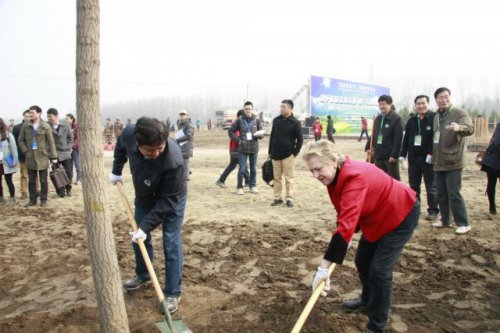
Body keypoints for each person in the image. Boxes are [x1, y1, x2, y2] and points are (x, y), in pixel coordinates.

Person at [303, 139, 419, 333]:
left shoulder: (354, 177)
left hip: (400, 214)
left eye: (318, 169)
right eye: (311, 171)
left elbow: (346, 223)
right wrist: (345, 237)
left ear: (333, 160)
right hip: (375, 217)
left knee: (380, 270)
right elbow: (345, 214)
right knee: (363, 261)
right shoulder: (334, 177)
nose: (316, 175)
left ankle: (377, 326)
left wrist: (323, 268)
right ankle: (368, 299)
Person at [110, 117, 187, 314]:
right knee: (138, 239)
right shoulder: (129, 133)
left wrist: (146, 227)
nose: (156, 153)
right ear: (138, 143)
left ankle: (172, 292)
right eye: (150, 150)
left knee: (170, 240)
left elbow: (168, 201)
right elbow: (120, 147)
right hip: (144, 195)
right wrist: (116, 170)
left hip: (170, 198)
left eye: (159, 148)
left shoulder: (174, 161)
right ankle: (143, 274)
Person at [430, 87, 474, 234]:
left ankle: (463, 223)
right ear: (436, 100)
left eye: (446, 96)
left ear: (450, 97)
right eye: (440, 98)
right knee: (441, 193)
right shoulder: (437, 117)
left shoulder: (459, 113)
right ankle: (445, 220)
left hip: (454, 160)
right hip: (439, 160)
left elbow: (470, 128)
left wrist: (459, 127)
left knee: (454, 193)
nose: (443, 100)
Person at [400, 95, 439, 221]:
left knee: (431, 186)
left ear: (428, 104)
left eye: (423, 103)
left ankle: (433, 211)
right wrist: (402, 154)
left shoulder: (434, 118)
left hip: (428, 159)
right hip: (414, 159)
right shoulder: (411, 121)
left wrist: (431, 153)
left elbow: (436, 138)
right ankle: (415, 210)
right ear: (415, 105)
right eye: (418, 104)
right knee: (414, 186)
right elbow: (406, 139)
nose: (421, 106)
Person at [18, 105, 58, 207]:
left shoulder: (45, 126)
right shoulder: (26, 126)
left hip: (42, 157)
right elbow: (20, 140)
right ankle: (32, 200)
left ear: (39, 114)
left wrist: (53, 157)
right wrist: (25, 150)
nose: (31, 115)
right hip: (30, 157)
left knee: (43, 181)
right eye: (30, 113)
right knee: (31, 181)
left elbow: (51, 142)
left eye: (33, 113)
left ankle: (43, 200)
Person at [268, 99, 303, 207]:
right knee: (276, 178)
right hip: (275, 154)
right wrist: (270, 151)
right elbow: (272, 136)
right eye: (281, 106)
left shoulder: (295, 122)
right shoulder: (276, 120)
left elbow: (300, 140)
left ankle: (289, 198)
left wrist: (294, 153)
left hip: (288, 155)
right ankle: (277, 198)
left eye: (284, 107)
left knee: (289, 178)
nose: (281, 108)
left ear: (290, 108)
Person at [228, 101, 263, 195]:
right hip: (242, 148)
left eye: (249, 109)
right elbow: (230, 131)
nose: (248, 110)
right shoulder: (239, 120)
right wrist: (238, 140)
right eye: (246, 109)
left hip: (254, 148)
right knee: (242, 169)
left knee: (253, 169)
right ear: (244, 109)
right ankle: (239, 187)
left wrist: (260, 135)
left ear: (252, 109)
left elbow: (261, 132)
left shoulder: (257, 120)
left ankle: (253, 186)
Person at [365, 95, 403, 180]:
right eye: (380, 104)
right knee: (380, 178)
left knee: (393, 179)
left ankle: (395, 193)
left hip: (389, 156)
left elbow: (398, 139)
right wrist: (368, 146)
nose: (381, 106)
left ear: (390, 104)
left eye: (384, 104)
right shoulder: (378, 118)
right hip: (378, 155)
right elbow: (373, 134)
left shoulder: (396, 119)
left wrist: (394, 155)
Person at [216, 110, 249, 188]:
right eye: (243, 116)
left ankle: (221, 180)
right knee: (243, 166)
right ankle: (248, 181)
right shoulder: (237, 125)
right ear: (240, 116)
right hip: (236, 150)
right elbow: (237, 138)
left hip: (234, 150)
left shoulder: (238, 124)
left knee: (233, 166)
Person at [47, 108, 74, 197]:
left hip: (65, 152)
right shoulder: (47, 126)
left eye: (50, 116)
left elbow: (70, 136)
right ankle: (60, 191)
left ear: (56, 116)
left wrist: (68, 147)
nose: (49, 118)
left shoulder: (65, 124)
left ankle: (68, 188)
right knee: (56, 173)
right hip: (54, 153)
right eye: (48, 116)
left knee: (68, 172)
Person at [479, 122, 500, 214]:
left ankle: (492, 207)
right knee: (491, 183)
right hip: (494, 161)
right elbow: (498, 142)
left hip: (493, 160)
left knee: (491, 183)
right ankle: (492, 207)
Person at [12, 110, 32, 199]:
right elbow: (15, 142)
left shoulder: (34, 126)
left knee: (34, 175)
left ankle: (36, 190)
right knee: (23, 175)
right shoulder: (17, 128)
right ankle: (24, 192)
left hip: (33, 155)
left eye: (29, 116)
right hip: (22, 155)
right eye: (26, 116)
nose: (27, 118)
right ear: (23, 116)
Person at [0, 117, 19, 205]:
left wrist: (15, 161)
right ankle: (1, 197)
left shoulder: (8, 135)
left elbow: (14, 149)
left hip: (6, 162)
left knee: (9, 181)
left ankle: (12, 197)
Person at [176, 110, 194, 181]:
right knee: (182, 159)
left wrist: (178, 140)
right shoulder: (180, 123)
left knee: (185, 159)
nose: (182, 116)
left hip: (187, 144)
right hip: (181, 144)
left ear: (187, 115)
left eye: (184, 115)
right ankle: (188, 171)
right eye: (181, 115)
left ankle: (186, 177)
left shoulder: (189, 125)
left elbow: (188, 136)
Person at [66, 113, 81, 185]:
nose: (66, 120)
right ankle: (69, 179)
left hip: (75, 149)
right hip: (68, 149)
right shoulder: (66, 127)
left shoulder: (76, 126)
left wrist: (72, 146)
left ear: (72, 119)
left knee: (77, 164)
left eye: (67, 119)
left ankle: (79, 179)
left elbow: (77, 138)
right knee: (69, 165)